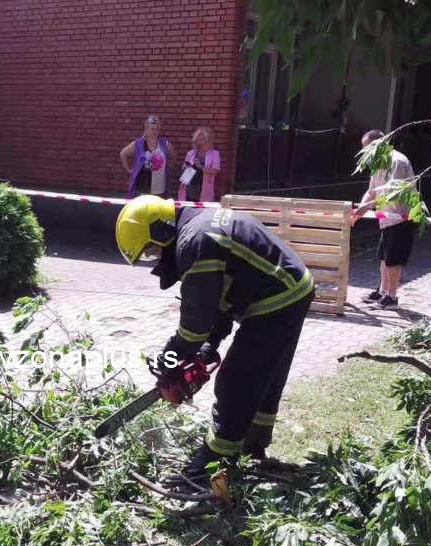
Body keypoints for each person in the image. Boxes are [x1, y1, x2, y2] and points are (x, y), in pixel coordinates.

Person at [115, 195, 313, 485]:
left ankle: (214, 462)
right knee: (265, 374)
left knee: (237, 378)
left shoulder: (194, 243)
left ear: (162, 230)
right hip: (290, 287)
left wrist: (171, 357)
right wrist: (210, 345)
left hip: (278, 296)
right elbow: (219, 299)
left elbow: (194, 324)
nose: (154, 259)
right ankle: (252, 444)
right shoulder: (200, 228)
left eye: (151, 251)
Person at [352, 129, 417, 309]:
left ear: (379, 144)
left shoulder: (397, 161)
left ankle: (392, 297)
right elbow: (371, 191)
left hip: (400, 218)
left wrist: (365, 208)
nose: (365, 152)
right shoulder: (378, 163)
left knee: (392, 259)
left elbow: (390, 193)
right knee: (383, 257)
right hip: (386, 219)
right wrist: (359, 211)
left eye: (367, 147)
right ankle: (382, 292)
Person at [121, 116, 176, 198]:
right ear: (146, 129)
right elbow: (123, 154)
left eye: (157, 129)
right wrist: (129, 170)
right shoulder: (139, 143)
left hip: (159, 186)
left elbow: (174, 156)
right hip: (141, 185)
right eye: (152, 129)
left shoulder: (165, 143)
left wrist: (168, 168)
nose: (155, 132)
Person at [177, 127, 220, 203]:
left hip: (204, 188)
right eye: (198, 139)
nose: (200, 142)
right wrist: (185, 167)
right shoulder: (191, 153)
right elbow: (184, 167)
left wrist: (201, 167)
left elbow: (215, 171)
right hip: (189, 188)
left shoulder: (214, 154)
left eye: (202, 139)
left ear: (208, 141)